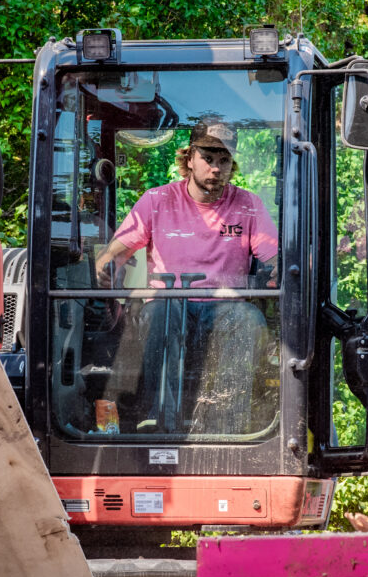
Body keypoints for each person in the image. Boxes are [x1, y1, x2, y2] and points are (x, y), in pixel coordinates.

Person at [94, 119, 278, 434]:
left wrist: (283, 266)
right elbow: (112, 257)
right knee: (166, 311)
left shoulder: (248, 206)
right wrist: (109, 267)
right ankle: (159, 418)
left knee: (248, 318)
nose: (216, 168)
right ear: (189, 157)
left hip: (224, 307)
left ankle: (226, 426)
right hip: (168, 304)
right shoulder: (157, 201)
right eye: (208, 158)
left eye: (224, 160)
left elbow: (275, 258)